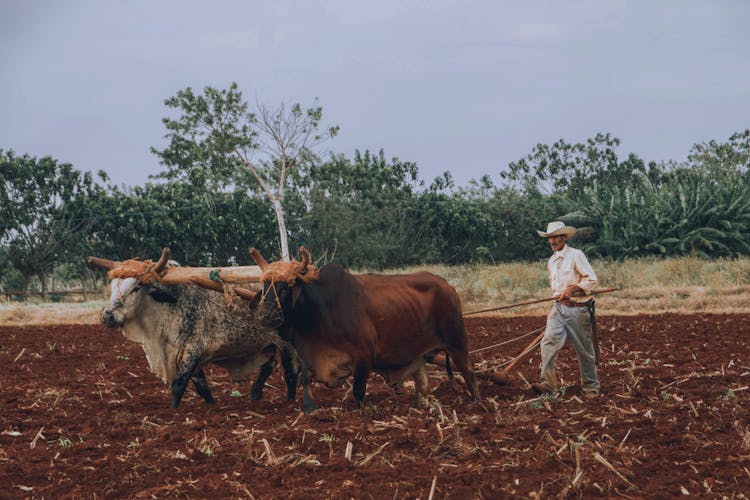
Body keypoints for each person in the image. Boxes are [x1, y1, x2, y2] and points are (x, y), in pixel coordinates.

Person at [532, 221, 600, 398]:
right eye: (550, 238)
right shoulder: (551, 262)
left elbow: (591, 279)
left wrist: (573, 289)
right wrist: (559, 294)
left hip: (578, 309)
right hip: (558, 308)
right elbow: (556, 287)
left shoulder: (576, 255)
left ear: (564, 237)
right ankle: (548, 384)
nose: (552, 241)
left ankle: (591, 386)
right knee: (548, 342)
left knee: (583, 349)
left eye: (555, 237)